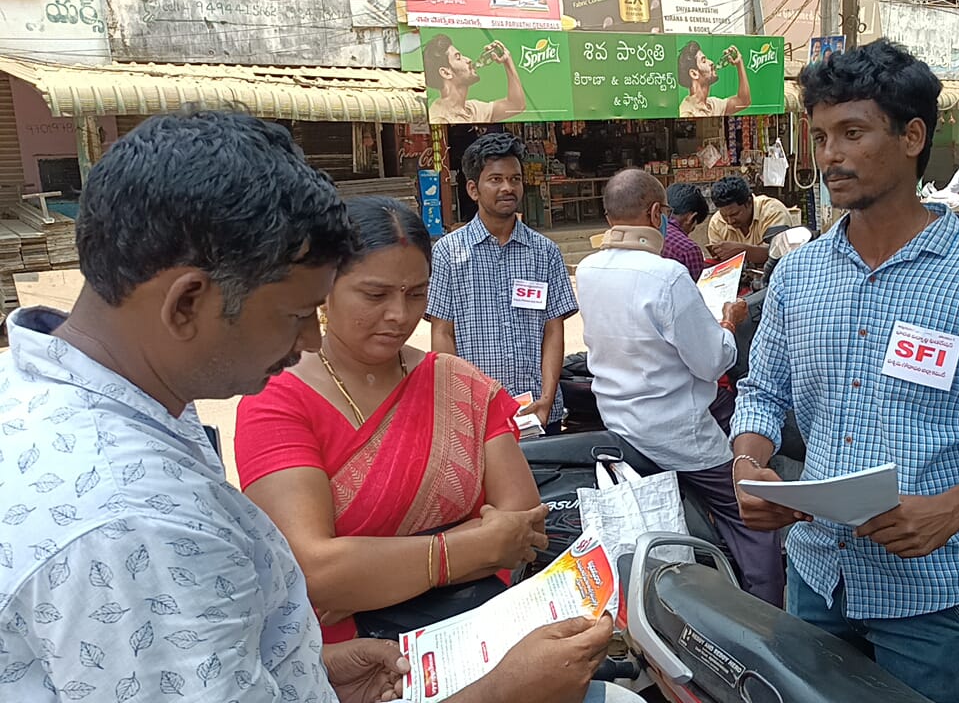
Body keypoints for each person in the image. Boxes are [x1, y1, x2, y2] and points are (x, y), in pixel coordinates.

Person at [0, 109, 617, 703]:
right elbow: (315, 571)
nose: (310, 341)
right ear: (186, 303)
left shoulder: (94, 410)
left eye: (414, 294)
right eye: (297, 314)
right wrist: (499, 692)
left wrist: (301, 669)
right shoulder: (129, 525)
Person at [730, 41, 959, 703]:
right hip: (817, 577)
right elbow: (763, 391)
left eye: (852, 132)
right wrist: (749, 463)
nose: (830, 155)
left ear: (912, 137)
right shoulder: (798, 274)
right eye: (820, 136)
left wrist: (955, 508)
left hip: (932, 595)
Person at [235, 197, 548, 644]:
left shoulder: (459, 385)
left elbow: (523, 526)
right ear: (324, 288)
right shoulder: (277, 400)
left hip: (475, 635)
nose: (400, 315)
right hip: (350, 661)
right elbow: (313, 569)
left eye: (416, 293)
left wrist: (366, 579)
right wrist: (473, 547)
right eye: (375, 295)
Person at [576, 169, 784, 606]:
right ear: (657, 213)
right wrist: (728, 323)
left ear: (609, 216)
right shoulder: (666, 275)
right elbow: (712, 362)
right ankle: (767, 613)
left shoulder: (590, 269)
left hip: (620, 422)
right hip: (676, 430)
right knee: (752, 512)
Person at [428, 133, 578, 434]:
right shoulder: (448, 253)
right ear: (473, 189)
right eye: (496, 179)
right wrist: (459, 403)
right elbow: (442, 333)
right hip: (476, 415)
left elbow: (553, 329)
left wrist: (546, 400)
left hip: (537, 411)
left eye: (515, 179)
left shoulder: (544, 252)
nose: (508, 187)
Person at [424, 34, 527, 124]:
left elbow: (517, 105)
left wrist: (507, 61)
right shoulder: (438, 119)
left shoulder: (473, 109)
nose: (468, 60)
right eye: (458, 58)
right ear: (446, 73)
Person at [706, 175, 792, 264]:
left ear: (749, 202)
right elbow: (719, 261)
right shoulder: (717, 222)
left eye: (735, 214)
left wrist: (742, 251)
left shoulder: (773, 211)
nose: (730, 221)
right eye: (724, 216)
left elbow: (778, 253)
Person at [677, 41, 751, 118]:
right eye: (704, 61)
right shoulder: (686, 113)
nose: (711, 62)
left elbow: (744, 101)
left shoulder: (713, 104)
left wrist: (739, 63)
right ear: (694, 74)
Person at [663, 182, 710, 280]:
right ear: (691, 218)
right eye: (693, 228)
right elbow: (696, 286)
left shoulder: (646, 231)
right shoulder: (689, 250)